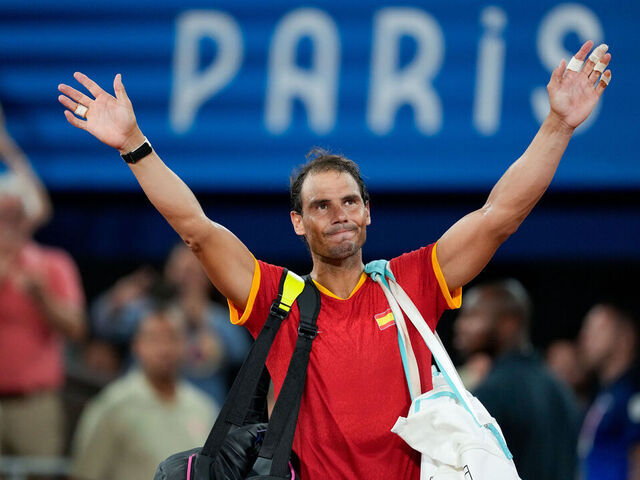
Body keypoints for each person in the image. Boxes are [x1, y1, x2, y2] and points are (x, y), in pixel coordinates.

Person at [57, 41, 612, 479]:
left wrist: (558, 126)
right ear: (298, 222)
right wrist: (134, 144)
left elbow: (499, 215)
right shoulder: (278, 298)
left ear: (368, 212)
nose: (339, 214)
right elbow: (196, 229)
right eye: (320, 206)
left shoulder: (412, 283)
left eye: (349, 201)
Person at [0, 105, 86, 457]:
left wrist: (42, 296)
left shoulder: (51, 264)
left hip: (35, 403)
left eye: (15, 214)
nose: (9, 222)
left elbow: (77, 329)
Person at [71, 302, 218, 480]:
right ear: (136, 345)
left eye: (173, 337)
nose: (164, 349)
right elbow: (85, 474)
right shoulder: (113, 405)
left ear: (186, 344)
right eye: (154, 339)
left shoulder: (203, 408)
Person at [91, 243, 251, 403]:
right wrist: (116, 300)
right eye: (181, 271)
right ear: (169, 272)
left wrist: (203, 319)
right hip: (144, 404)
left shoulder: (220, 317)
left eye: (193, 272)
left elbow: (241, 353)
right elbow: (104, 325)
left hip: (202, 412)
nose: (186, 279)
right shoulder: (149, 308)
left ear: (208, 276)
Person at [453, 279, 581, 480]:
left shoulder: (492, 392)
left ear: (509, 324)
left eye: (473, 315)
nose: (461, 325)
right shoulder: (561, 389)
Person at [577, 302, 640, 480]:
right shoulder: (603, 395)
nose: (585, 336)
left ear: (625, 338)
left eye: (597, 329)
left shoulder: (631, 396)